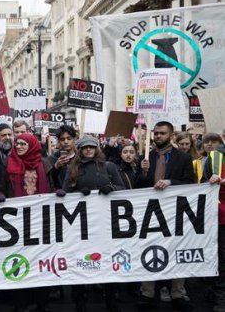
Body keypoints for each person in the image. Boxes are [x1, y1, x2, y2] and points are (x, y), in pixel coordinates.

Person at [59, 136, 124, 312]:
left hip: (106, 224)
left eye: (91, 147)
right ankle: (80, 301)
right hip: (82, 226)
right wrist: (78, 193)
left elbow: (122, 187)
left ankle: (111, 300)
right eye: (85, 148)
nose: (88, 150)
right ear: (79, 150)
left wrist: (112, 189)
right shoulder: (72, 168)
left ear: (97, 149)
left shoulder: (108, 166)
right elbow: (65, 192)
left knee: (108, 261)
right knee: (81, 261)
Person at [137, 121, 195, 310]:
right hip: (150, 212)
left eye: (162, 133)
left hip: (175, 211)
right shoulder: (145, 157)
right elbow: (139, 186)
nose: (158, 136)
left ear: (170, 135)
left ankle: (178, 292)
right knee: (149, 248)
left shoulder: (183, 158)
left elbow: (190, 184)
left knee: (177, 249)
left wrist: (170, 182)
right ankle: (147, 291)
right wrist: (144, 172)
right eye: (156, 133)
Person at [6, 133, 52, 312]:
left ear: (32, 145)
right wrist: (2, 195)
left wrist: (57, 193)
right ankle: (21, 303)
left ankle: (42, 303)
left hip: (41, 221)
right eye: (17, 144)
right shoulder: (9, 163)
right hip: (17, 223)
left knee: (41, 262)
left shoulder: (45, 164)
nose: (19, 147)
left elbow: (53, 184)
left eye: (23, 144)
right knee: (20, 261)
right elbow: (2, 186)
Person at [202, 134, 225, 312]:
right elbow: (203, 183)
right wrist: (209, 181)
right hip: (219, 217)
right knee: (221, 260)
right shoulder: (215, 157)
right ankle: (220, 298)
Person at [47, 125, 78, 190]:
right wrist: (55, 167)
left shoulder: (80, 158)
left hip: (76, 196)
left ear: (74, 139)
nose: (66, 142)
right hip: (59, 196)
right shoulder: (51, 159)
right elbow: (48, 181)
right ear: (58, 141)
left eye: (69, 138)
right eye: (62, 139)